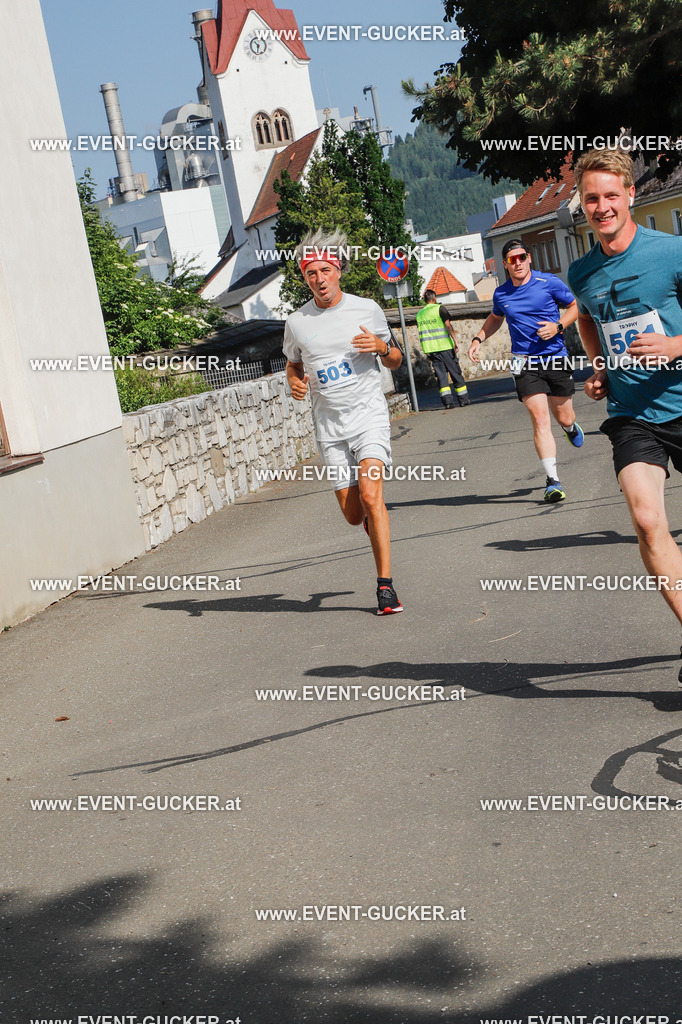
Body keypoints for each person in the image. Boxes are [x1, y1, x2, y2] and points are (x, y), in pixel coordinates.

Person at [567, 146, 682, 684]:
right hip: (632, 413)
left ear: (631, 194)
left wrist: (675, 346)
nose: (602, 207)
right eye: (592, 198)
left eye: (611, 195)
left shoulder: (672, 252)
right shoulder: (581, 271)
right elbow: (588, 320)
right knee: (647, 521)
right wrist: (600, 367)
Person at [283, 228, 405, 615]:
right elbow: (293, 363)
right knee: (355, 515)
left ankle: (385, 588)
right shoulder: (297, 322)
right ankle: (371, 522)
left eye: (325, 270)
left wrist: (381, 347)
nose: (319, 279)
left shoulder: (366, 309)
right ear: (305, 278)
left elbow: (396, 359)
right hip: (329, 427)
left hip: (368, 417)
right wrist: (294, 382)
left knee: (371, 496)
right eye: (311, 273)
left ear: (338, 271)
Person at [468, 239, 583, 502]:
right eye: (512, 259)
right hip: (525, 363)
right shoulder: (502, 294)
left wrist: (558, 326)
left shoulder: (548, 282)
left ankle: (569, 428)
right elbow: (496, 317)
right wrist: (477, 339)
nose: (518, 263)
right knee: (540, 419)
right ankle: (553, 481)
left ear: (529, 258)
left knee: (564, 417)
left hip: (555, 358)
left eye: (521, 257)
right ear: (505, 264)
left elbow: (574, 306)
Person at [415, 289, 471, 408]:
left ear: (425, 300)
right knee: (455, 372)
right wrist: (455, 341)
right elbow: (448, 326)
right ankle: (463, 400)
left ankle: (448, 403)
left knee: (441, 376)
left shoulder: (419, 315)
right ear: (434, 298)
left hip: (431, 350)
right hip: (445, 346)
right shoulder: (440, 309)